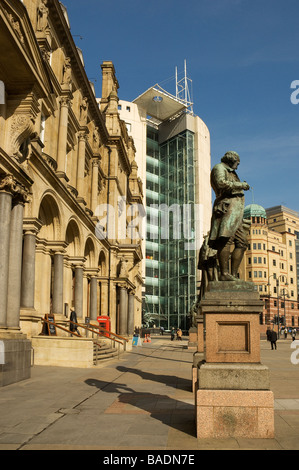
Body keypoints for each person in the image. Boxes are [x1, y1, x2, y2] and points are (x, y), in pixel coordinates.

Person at [207, 151, 251, 281]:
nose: (237, 166)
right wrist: (241, 185)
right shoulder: (219, 168)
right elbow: (220, 183)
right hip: (227, 208)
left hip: (236, 212)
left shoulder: (231, 171)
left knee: (242, 243)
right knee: (226, 239)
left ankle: (232, 274)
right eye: (237, 163)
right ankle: (224, 274)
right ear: (232, 160)